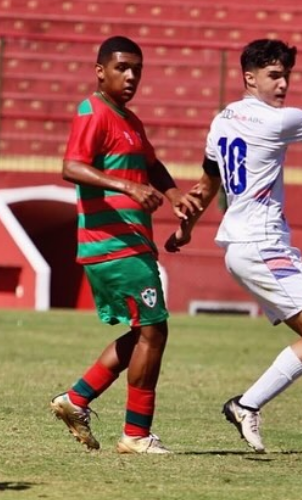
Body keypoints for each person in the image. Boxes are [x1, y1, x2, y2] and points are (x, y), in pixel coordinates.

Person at [166, 38, 302, 461]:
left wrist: (187, 229)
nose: (283, 83)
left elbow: (208, 183)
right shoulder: (278, 121)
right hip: (263, 244)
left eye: (286, 75)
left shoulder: (221, 120)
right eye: (274, 75)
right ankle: (246, 404)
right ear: (250, 77)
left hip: (241, 246)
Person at [50, 36, 186, 454]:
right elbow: (71, 166)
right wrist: (126, 185)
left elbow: (151, 163)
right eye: (122, 68)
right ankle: (135, 435)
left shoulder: (129, 121)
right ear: (100, 71)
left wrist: (176, 196)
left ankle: (75, 400)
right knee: (154, 330)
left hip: (132, 241)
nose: (131, 76)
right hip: (112, 242)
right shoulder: (92, 111)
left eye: (137, 70)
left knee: (146, 331)